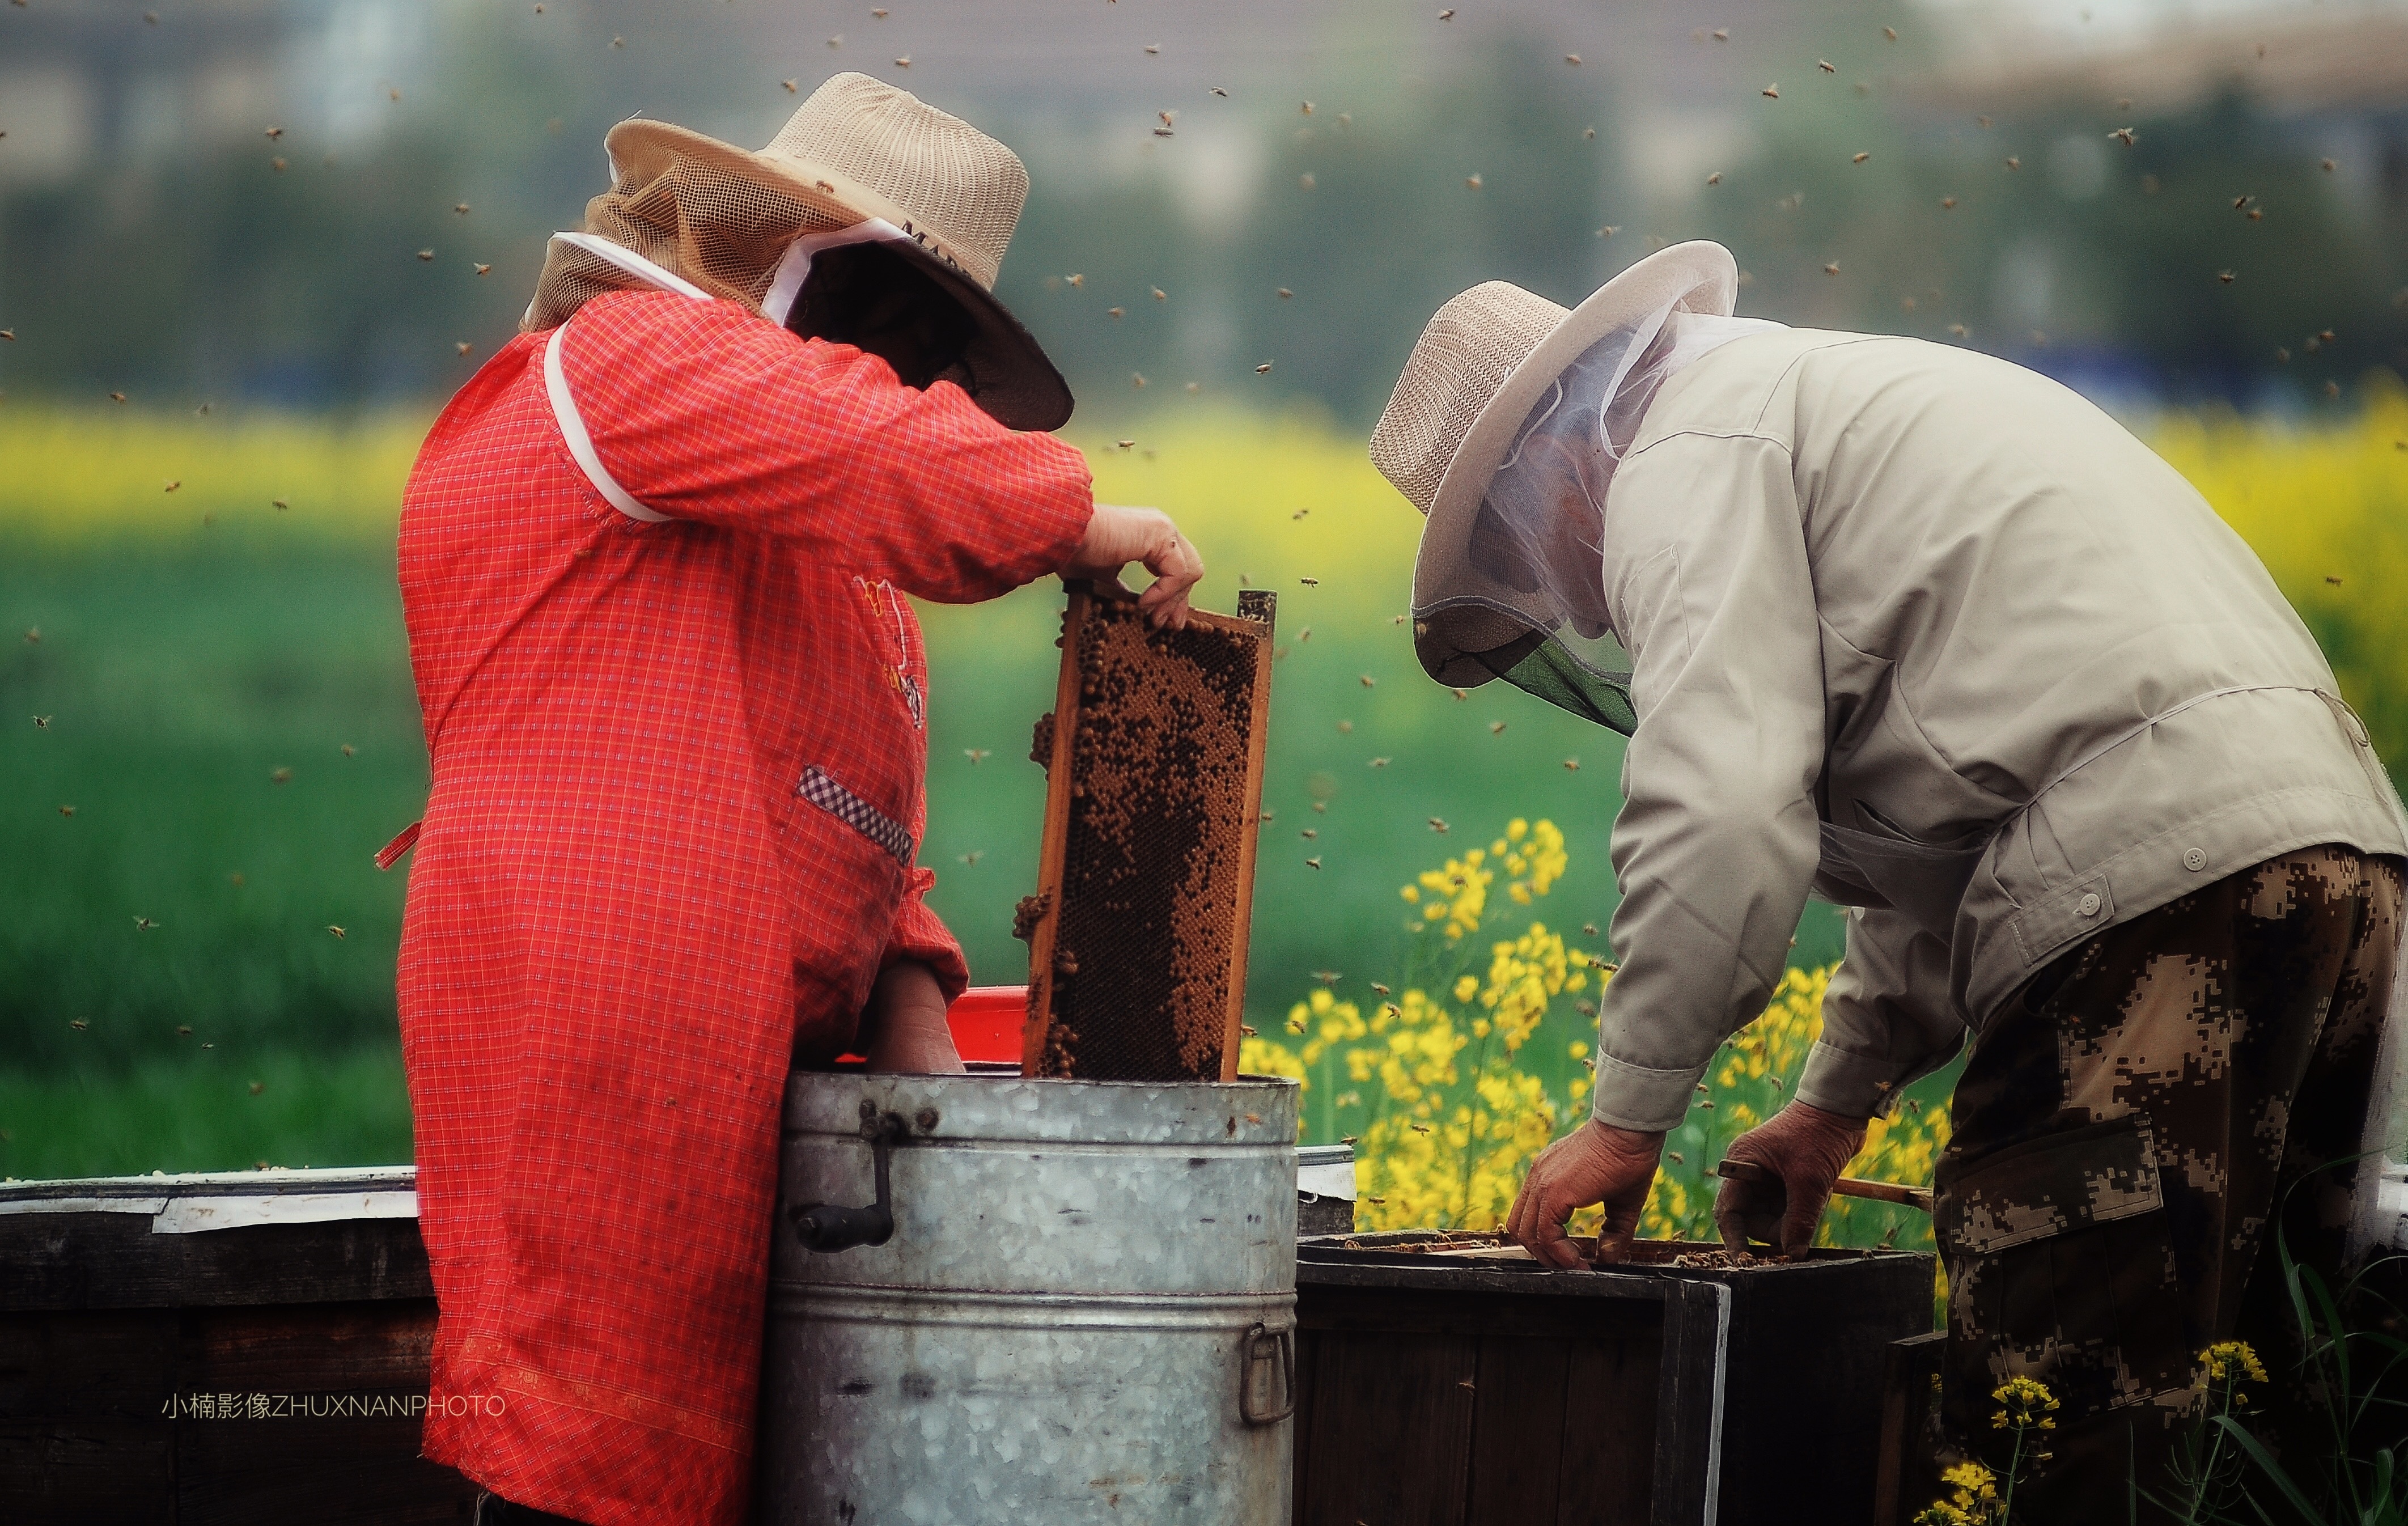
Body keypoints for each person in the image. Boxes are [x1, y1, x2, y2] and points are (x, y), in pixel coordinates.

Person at [1366, 240, 2407, 1519]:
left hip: (2163, 902)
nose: (1555, 598)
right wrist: (1833, 1102)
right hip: (2330, 859)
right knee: (2263, 1412)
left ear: (1551, 462)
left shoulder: (1684, 461)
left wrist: (1627, 1116)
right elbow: (1983, 812)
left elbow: (1725, 802)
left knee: (2059, 1427)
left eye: (1507, 542)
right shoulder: (1796, 399)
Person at [387, 74, 1201, 1526]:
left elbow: (849, 816)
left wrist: (915, 1017)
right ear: (783, 259)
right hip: (599, 1060)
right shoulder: (627, 362)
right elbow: (881, 447)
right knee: (590, 1457)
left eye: (933, 346)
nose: (905, 371)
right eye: (890, 322)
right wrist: (1075, 515)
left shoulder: (829, 561)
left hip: (780, 1101)